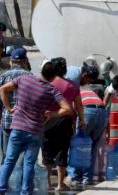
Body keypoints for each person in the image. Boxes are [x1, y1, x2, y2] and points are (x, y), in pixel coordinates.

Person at [0, 61, 72, 195]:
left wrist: (8, 108)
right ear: (53, 77)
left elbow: (3, 89)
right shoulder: (51, 90)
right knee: (29, 164)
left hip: (18, 128)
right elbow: (67, 109)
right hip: (36, 131)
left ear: (41, 70)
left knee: (9, 161)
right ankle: (25, 192)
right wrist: (51, 114)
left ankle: (0, 191)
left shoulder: (24, 79)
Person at [41, 57, 84, 191]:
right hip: (65, 120)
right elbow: (79, 106)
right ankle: (60, 184)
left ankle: (48, 183)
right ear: (65, 69)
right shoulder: (72, 85)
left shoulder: (47, 84)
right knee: (62, 151)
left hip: (47, 119)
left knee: (46, 151)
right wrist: (82, 120)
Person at [0, 48, 32, 169]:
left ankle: (2, 183)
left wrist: (0, 116)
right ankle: (17, 183)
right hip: (24, 122)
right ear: (25, 60)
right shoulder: (30, 76)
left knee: (6, 154)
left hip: (7, 120)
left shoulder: (3, 76)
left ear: (11, 61)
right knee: (21, 156)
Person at [71, 85, 108, 185]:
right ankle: (87, 179)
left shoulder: (71, 90)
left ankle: (77, 177)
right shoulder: (86, 90)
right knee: (92, 146)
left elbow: (71, 111)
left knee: (80, 145)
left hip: (87, 111)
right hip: (103, 112)